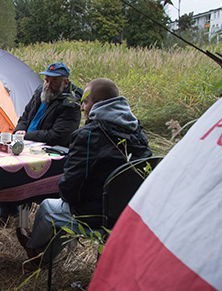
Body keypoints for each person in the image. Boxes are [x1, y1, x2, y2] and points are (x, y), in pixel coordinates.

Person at [16, 78, 152, 261]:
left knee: (49, 206)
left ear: (100, 104)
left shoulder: (87, 136)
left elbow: (69, 191)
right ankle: (42, 252)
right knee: (62, 210)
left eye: (85, 102)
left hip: (94, 214)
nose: (82, 108)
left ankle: (36, 252)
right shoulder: (139, 133)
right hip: (129, 213)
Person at [0, 62, 83, 225]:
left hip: (51, 151)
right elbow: (24, 117)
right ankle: (9, 211)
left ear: (65, 82)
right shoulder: (40, 91)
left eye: (53, 81)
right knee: (6, 165)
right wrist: (18, 134)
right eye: (46, 80)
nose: (47, 85)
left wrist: (26, 135)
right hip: (28, 143)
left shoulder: (71, 104)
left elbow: (58, 136)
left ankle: (47, 218)